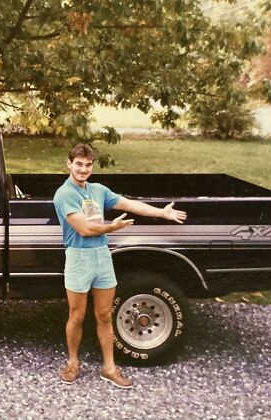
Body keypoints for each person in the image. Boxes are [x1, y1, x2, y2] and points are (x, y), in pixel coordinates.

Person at [53, 143, 187, 388]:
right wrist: (111, 228)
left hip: (102, 257)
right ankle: (73, 363)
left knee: (105, 315)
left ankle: (109, 368)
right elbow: (84, 228)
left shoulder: (98, 190)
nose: (83, 169)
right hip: (78, 258)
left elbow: (129, 204)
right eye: (79, 164)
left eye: (88, 165)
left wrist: (161, 213)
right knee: (77, 315)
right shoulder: (64, 194)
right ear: (69, 164)